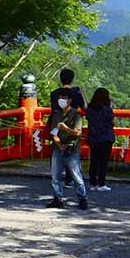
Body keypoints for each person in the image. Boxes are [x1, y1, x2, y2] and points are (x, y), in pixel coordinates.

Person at [43, 68, 89, 209]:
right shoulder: (76, 94)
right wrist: (83, 94)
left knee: (60, 172)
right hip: (61, 133)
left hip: (64, 132)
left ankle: (64, 197)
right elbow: (86, 108)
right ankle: (67, 197)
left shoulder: (54, 94)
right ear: (72, 79)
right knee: (73, 172)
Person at [87, 87, 117, 191]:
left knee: (94, 161)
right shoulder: (107, 109)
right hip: (105, 138)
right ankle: (101, 184)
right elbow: (114, 122)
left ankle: (92, 183)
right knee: (103, 162)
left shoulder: (90, 108)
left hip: (93, 137)